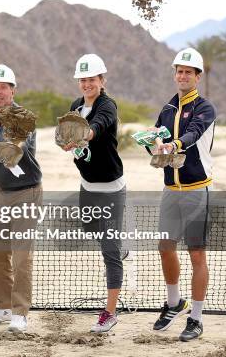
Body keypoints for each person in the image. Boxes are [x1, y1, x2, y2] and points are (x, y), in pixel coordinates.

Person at [147, 47, 216, 341]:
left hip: (196, 190)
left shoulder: (205, 108)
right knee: (165, 247)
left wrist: (174, 145)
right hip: (170, 189)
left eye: (188, 71)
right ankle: (175, 303)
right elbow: (157, 139)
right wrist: (151, 143)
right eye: (179, 71)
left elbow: (193, 134)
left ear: (197, 77)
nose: (183, 75)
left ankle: (196, 318)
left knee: (197, 253)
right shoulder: (167, 108)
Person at [60, 54, 126, 332]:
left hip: (110, 188)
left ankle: (109, 313)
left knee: (109, 252)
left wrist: (84, 134)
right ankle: (117, 246)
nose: (87, 84)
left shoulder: (107, 105)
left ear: (102, 80)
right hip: (87, 186)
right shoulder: (76, 105)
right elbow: (68, 134)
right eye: (83, 80)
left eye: (92, 79)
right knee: (89, 228)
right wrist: (67, 141)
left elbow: (98, 125)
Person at [0, 64, 43, 333]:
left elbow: (15, 148)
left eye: (4, 87)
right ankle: (2, 306)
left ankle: (20, 313)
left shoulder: (24, 117)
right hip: (0, 191)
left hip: (27, 192)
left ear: (13, 90)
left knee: (21, 256)